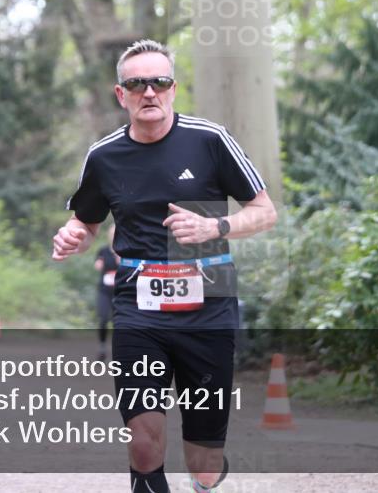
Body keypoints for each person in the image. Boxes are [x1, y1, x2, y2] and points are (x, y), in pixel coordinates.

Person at [52, 39, 277, 493]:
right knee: (143, 444)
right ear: (122, 95)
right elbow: (86, 220)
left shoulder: (209, 140)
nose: (149, 92)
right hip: (139, 309)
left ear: (174, 88)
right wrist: (74, 233)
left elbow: (265, 211)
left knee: (204, 464)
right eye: (137, 84)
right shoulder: (104, 156)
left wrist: (216, 228)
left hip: (209, 306)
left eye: (160, 82)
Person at [94, 224, 119, 361]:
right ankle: (102, 346)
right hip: (104, 291)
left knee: (118, 322)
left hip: (120, 292)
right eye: (112, 233)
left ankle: (118, 351)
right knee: (103, 318)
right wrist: (99, 264)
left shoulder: (124, 251)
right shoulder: (103, 251)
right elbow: (97, 265)